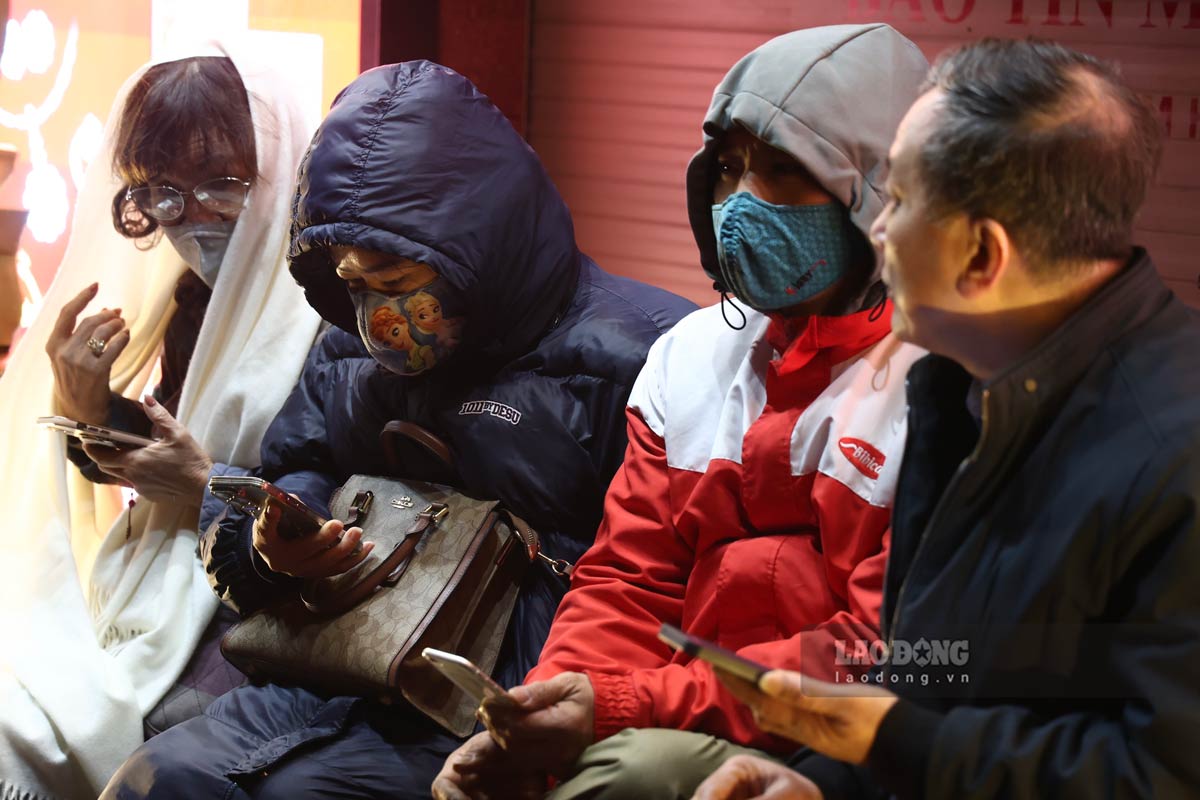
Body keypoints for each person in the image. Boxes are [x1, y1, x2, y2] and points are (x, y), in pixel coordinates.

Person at [103, 61, 695, 799]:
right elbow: (295, 464)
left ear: (478, 243)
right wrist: (275, 543)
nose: (377, 316)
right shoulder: (348, 345)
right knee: (156, 779)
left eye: (394, 279)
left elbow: (658, 581)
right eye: (352, 283)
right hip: (339, 663)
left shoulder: (647, 357)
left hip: (495, 695)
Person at [432, 24, 930, 800]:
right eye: (728, 170)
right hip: (684, 708)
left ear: (876, 193)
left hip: (842, 746)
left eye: (784, 172)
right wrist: (544, 718)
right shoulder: (690, 354)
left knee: (624, 778)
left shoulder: (942, 387)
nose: (738, 205)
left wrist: (623, 710)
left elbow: (878, 649)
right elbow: (630, 580)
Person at [694, 38, 1200, 800]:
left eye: (897, 200)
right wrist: (825, 782)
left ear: (980, 258)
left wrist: (890, 739)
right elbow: (937, 670)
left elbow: (1158, 775)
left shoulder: (1176, 456)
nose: (878, 230)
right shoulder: (961, 392)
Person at [0, 51, 319, 797]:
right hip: (169, 579)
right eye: (165, 193)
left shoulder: (334, 313)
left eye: (222, 186)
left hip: (274, 610)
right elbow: (162, 453)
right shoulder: (194, 302)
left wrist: (211, 487)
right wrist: (88, 405)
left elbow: (344, 512)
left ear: (274, 172)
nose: (194, 218)